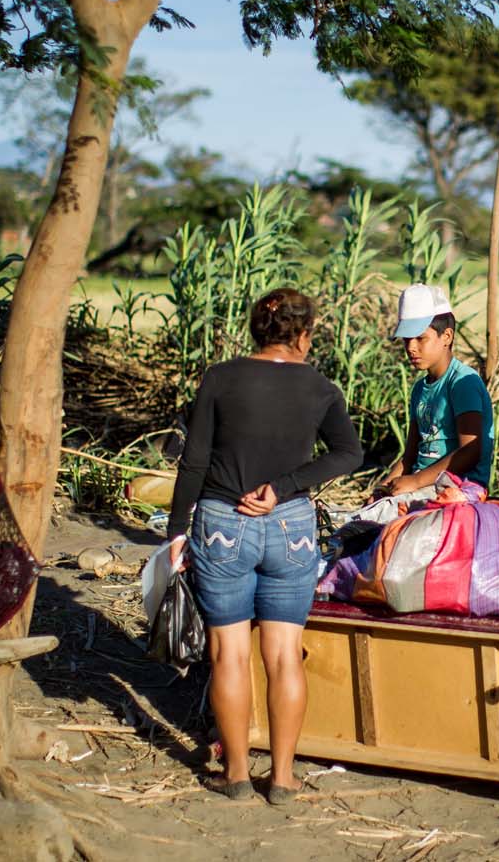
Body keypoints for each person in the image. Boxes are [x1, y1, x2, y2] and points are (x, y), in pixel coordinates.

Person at [166, 288, 363, 804]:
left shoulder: (220, 377)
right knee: (282, 656)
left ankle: (234, 774)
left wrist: (175, 531)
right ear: (304, 334)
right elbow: (348, 453)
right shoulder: (320, 387)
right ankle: (281, 777)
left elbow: (194, 461)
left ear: (258, 329)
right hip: (290, 525)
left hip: (220, 521)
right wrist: (286, 486)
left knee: (227, 653)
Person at [377, 283, 494, 496]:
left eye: (420, 338)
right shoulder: (419, 389)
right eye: (406, 340)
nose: (411, 347)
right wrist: (384, 487)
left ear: (447, 337)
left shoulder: (463, 382)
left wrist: (416, 480)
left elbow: (470, 451)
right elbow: (410, 455)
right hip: (420, 483)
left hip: (458, 486)